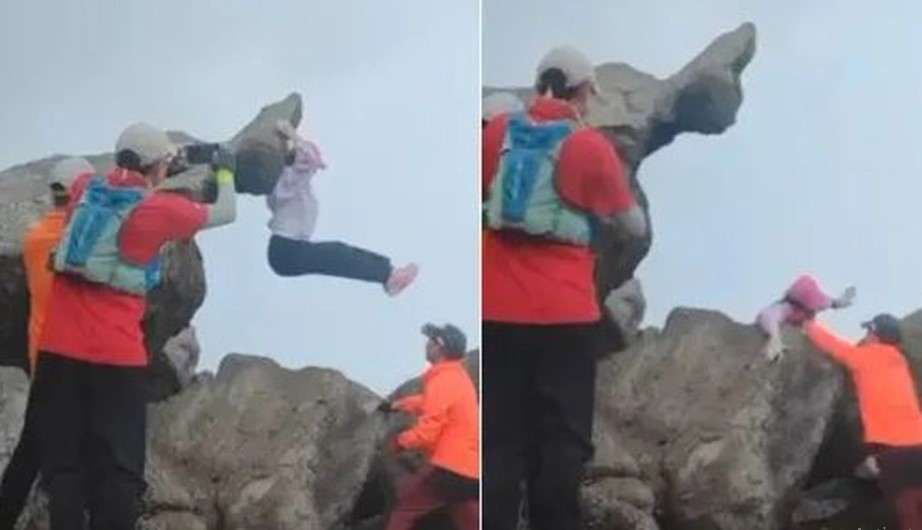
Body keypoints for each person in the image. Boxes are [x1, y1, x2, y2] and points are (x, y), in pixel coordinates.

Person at [30, 122, 238, 529]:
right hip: (115, 356)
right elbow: (226, 211)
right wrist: (225, 170)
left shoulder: (85, 190)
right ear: (158, 166)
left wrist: (164, 160)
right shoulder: (159, 210)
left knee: (65, 469)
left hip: (57, 351)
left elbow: (114, 174)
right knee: (120, 472)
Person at [481, 45, 646, 530]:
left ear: (538, 85)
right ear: (581, 91)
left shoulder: (497, 133)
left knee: (501, 437)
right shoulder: (588, 145)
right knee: (563, 436)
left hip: (496, 307)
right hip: (564, 314)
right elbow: (630, 224)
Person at [0, 157, 93, 530]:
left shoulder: (36, 237)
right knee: (65, 462)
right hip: (73, 362)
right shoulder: (77, 241)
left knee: (32, 451)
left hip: (43, 360)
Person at [267, 121, 418, 296]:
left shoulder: (291, 183)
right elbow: (308, 155)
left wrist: (291, 138)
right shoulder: (287, 182)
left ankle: (388, 275)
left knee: (338, 253)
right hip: (286, 251)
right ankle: (388, 276)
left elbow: (308, 157)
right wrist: (291, 134)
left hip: (286, 250)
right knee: (336, 254)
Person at [804, 314, 922, 529]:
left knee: (905, 506)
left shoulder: (866, 358)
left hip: (891, 447)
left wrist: (808, 323)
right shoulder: (898, 360)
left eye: (868, 331)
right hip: (917, 445)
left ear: (876, 335)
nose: (865, 335)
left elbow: (836, 346)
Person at [381, 323, 479, 530]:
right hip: (471, 469)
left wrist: (399, 442)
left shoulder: (443, 379)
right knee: (468, 517)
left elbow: (427, 432)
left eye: (431, 340)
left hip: (449, 468)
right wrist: (398, 405)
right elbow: (430, 401)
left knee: (404, 509)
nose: (426, 344)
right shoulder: (457, 377)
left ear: (440, 347)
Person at [755, 274, 855, 361]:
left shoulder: (815, 304)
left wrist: (843, 299)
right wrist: (774, 339)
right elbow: (767, 316)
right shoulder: (786, 308)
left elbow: (833, 303)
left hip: (799, 331)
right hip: (783, 330)